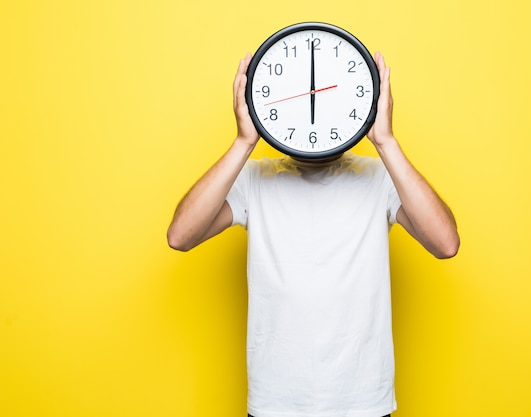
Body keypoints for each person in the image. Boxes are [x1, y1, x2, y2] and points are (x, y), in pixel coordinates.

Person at [167, 51, 460, 417]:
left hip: (363, 404)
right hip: (276, 405)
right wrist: (243, 142)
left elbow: (445, 243)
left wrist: (386, 142)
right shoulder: (256, 179)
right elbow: (181, 235)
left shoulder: (379, 178)